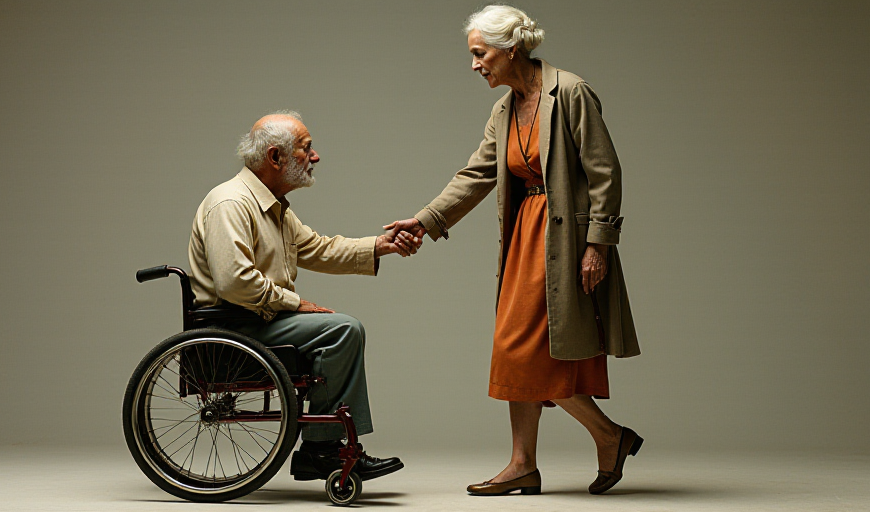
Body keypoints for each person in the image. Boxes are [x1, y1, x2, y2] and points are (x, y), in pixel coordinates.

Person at [386, 5, 643, 496]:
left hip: (566, 240)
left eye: (481, 54)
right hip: (525, 238)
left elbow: (605, 172)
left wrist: (598, 246)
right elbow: (476, 175)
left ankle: (606, 437)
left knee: (536, 352)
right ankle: (528, 461)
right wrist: (424, 220)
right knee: (516, 351)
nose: (475, 64)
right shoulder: (503, 109)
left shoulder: (570, 92)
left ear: (512, 49)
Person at [188, 110, 420, 482]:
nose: (315, 157)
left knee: (341, 329)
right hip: (234, 327)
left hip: (258, 321)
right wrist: (294, 302)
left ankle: (323, 447)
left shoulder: (273, 206)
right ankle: (322, 449)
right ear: (275, 157)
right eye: (306, 149)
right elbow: (234, 283)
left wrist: (380, 245)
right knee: (343, 329)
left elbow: (318, 249)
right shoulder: (230, 203)